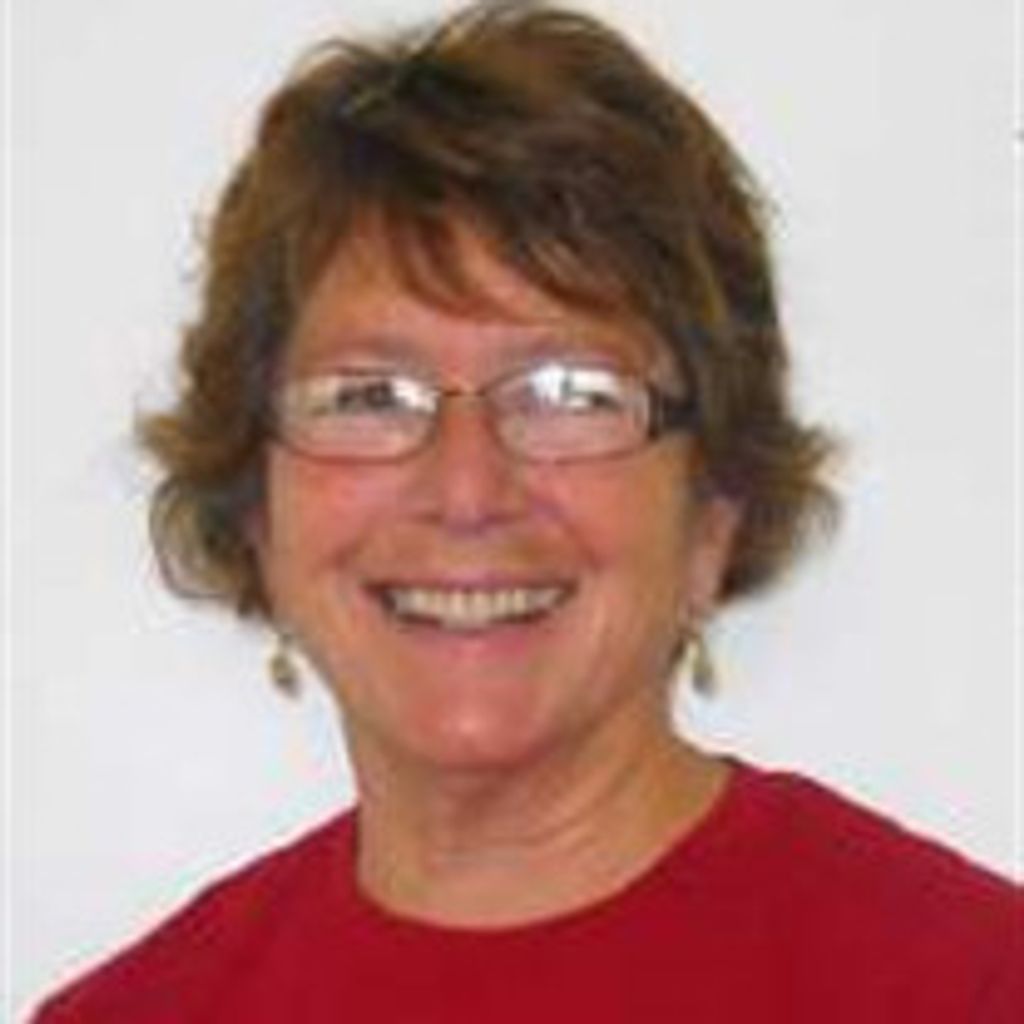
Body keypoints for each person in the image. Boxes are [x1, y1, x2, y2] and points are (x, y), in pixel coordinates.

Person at [32, 1, 1020, 1020]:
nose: (466, 489)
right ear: (256, 511)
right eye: (368, 396)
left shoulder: (970, 985)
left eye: (569, 394)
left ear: (712, 512)